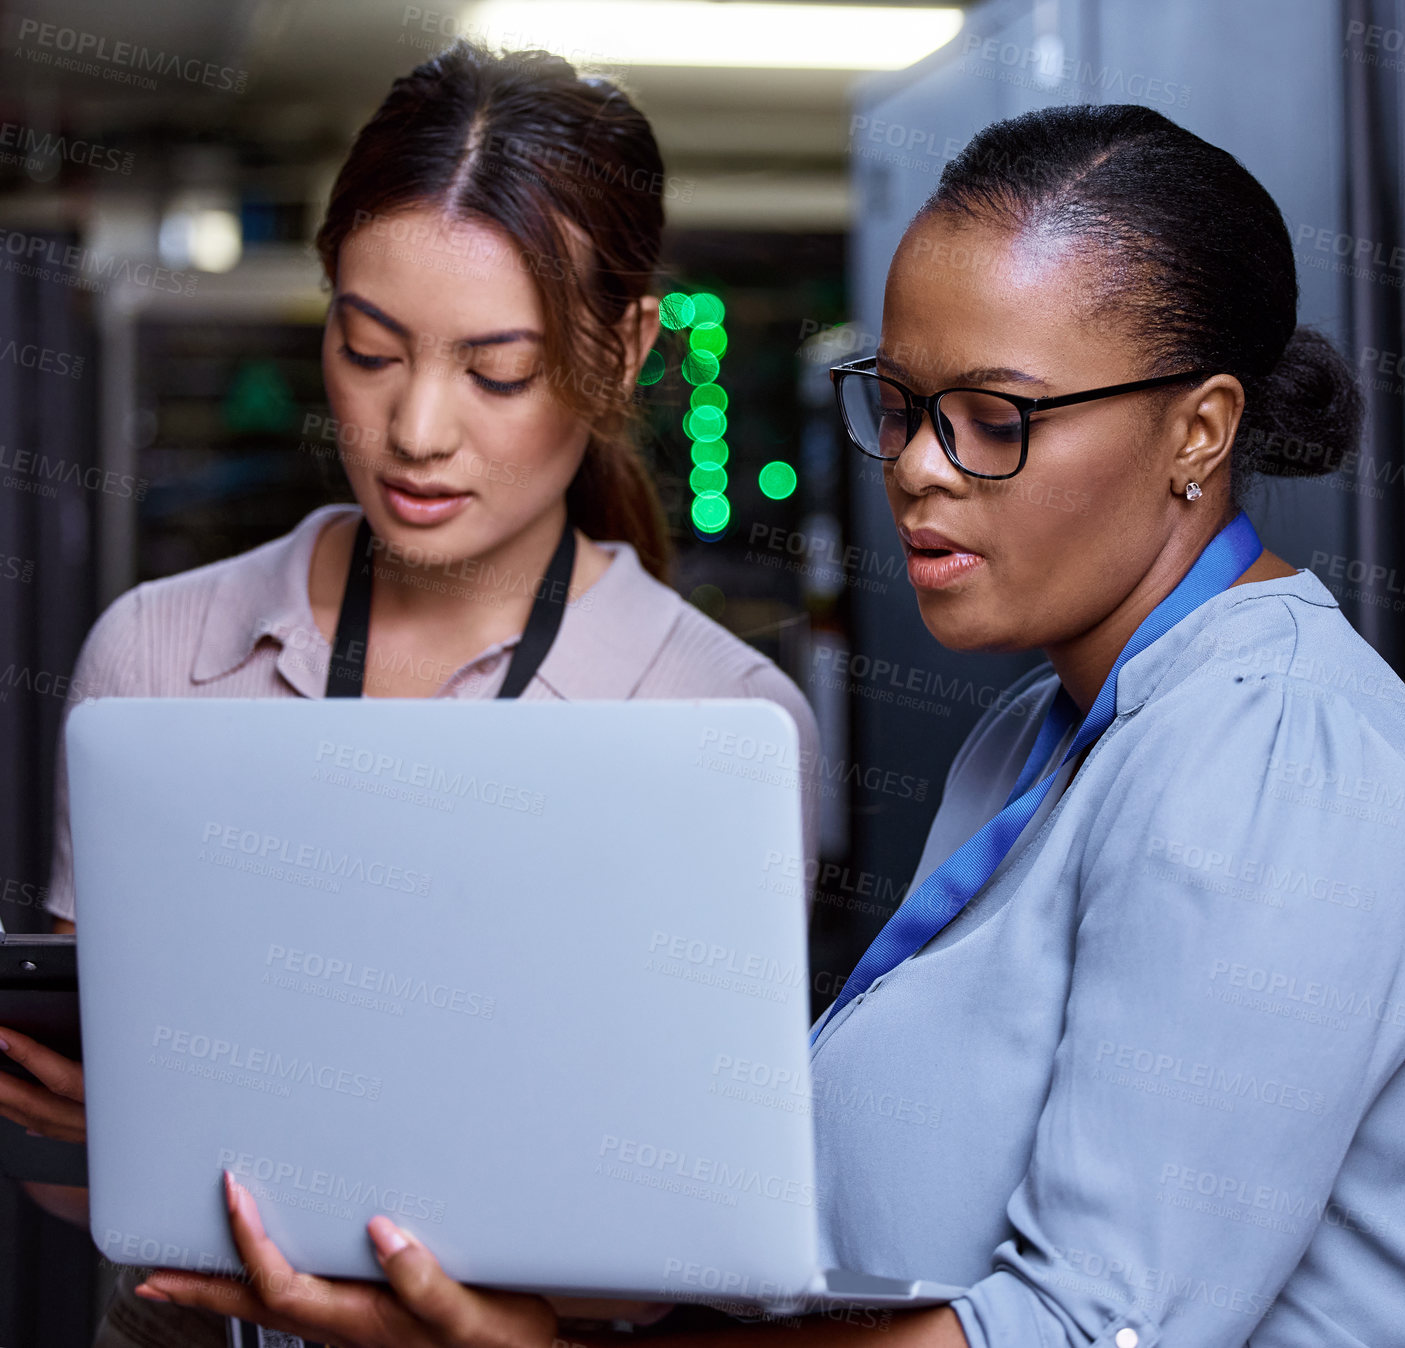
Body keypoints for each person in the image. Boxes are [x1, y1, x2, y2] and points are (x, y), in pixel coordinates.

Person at [122, 101, 1405, 1348]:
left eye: (991, 420)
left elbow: (1084, 1334)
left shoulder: (1274, 764)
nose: (916, 470)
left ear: (1199, 431)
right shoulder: (1041, 729)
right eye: (897, 406)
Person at [0, 41, 820, 1348]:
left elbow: (678, 1239)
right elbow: (78, 1177)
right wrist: (130, 1126)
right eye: (370, 349)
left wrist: (261, 1132)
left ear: (623, 348)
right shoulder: (158, 656)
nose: (417, 427)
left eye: (497, 371)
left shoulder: (719, 721)